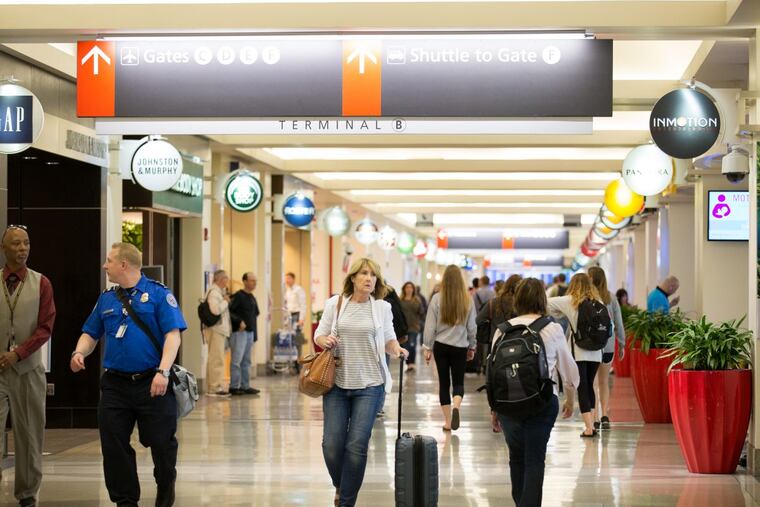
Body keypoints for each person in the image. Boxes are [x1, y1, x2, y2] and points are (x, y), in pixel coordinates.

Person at [70, 242, 186, 507]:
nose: (104, 265)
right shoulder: (107, 298)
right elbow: (91, 332)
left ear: (123, 264)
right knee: (113, 445)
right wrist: (79, 352)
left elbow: (173, 335)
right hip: (115, 384)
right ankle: (125, 500)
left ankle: (165, 486)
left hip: (152, 381)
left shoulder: (158, 295)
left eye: (108, 260)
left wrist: (163, 372)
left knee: (160, 442)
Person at [313, 258, 408, 507]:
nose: (369, 279)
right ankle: (341, 484)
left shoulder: (382, 308)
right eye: (364, 274)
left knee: (356, 446)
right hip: (336, 384)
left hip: (370, 385)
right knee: (331, 445)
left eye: (373, 275)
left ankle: (345, 502)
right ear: (353, 277)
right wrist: (325, 341)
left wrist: (397, 349)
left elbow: (389, 339)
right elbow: (319, 334)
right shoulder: (335, 304)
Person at [491, 278, 579, 507]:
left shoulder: (502, 331)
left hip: (507, 404)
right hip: (542, 402)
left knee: (516, 458)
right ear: (542, 299)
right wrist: (570, 400)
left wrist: (494, 409)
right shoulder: (552, 329)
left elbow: (494, 373)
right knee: (534, 459)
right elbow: (570, 373)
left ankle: (520, 502)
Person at [0, 225, 55, 507]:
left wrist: (19, 353)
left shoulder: (41, 283)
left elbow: (45, 328)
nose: (22, 249)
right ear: (4, 249)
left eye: (26, 244)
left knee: (30, 434)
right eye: (16, 244)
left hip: (28, 370)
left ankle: (27, 494)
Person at [548, 273, 603, 437]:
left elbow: (546, 304)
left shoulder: (570, 301)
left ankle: (588, 427)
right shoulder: (598, 302)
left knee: (583, 388)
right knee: (590, 387)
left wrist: (560, 314)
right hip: (596, 352)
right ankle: (592, 423)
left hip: (579, 351)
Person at [423, 264, 477, 431]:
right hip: (460, 346)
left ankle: (447, 421)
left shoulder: (437, 298)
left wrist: (427, 347)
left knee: (444, 383)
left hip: (441, 346)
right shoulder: (467, 299)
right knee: (458, 382)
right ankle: (456, 406)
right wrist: (472, 346)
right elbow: (472, 327)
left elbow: (430, 326)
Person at [588, 267, 625, 430]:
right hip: (608, 344)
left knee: (593, 383)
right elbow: (618, 323)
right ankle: (605, 416)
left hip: (590, 346)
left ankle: (594, 416)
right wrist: (622, 343)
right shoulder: (610, 297)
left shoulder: (586, 298)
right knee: (604, 382)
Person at [228, 272, 260, 396]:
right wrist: (239, 321)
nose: (254, 283)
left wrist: (255, 335)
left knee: (246, 361)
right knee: (237, 360)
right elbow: (229, 312)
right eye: (252, 281)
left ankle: (245, 386)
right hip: (239, 333)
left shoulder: (252, 297)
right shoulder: (238, 296)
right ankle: (234, 386)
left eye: (255, 281)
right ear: (245, 281)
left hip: (250, 333)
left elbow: (254, 316)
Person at [204, 270, 231, 396]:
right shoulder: (214, 292)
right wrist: (225, 301)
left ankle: (214, 386)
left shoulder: (217, 292)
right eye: (226, 278)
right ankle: (215, 387)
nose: (227, 281)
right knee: (216, 359)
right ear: (220, 279)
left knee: (216, 358)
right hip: (216, 330)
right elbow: (215, 310)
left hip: (218, 330)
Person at [476, 274, 522, 344]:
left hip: (495, 341)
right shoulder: (522, 304)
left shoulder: (493, 302)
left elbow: (478, 320)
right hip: (517, 341)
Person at [399, 282, 422, 372]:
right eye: (407, 287)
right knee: (405, 346)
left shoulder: (417, 300)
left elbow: (421, 312)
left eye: (410, 287)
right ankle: (408, 364)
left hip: (414, 327)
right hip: (403, 327)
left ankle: (412, 364)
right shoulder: (400, 300)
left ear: (413, 289)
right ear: (404, 289)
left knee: (412, 345)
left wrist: (421, 323)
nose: (409, 289)